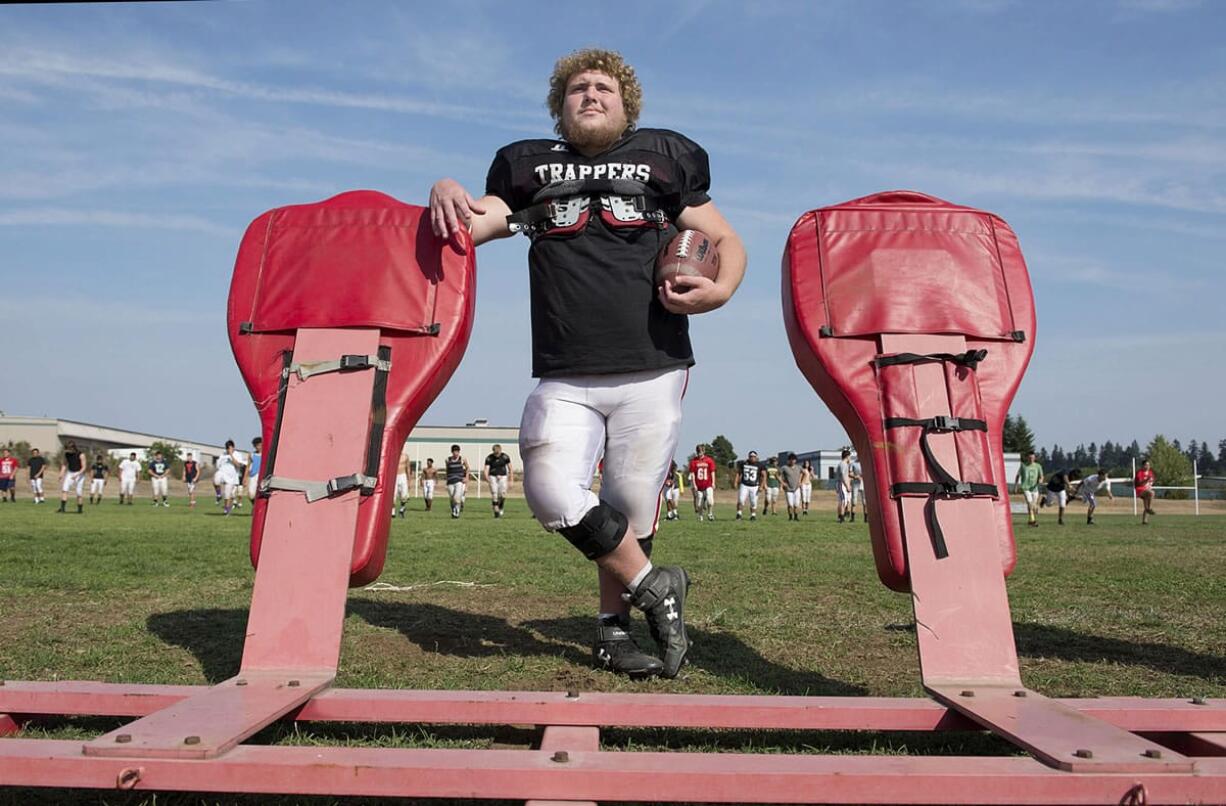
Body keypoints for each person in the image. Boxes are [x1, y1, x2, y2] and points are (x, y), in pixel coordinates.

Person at [428, 48, 745, 678]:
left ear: (626, 104)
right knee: (550, 492)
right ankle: (657, 586)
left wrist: (723, 288)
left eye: (603, 86)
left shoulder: (665, 157)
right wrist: (446, 189)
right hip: (565, 367)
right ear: (560, 104)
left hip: (652, 361)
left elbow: (726, 238)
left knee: (628, 505)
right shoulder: (527, 166)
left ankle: (611, 631)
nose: (591, 94)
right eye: (577, 88)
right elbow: (478, 219)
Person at [1014, 451, 1044, 528]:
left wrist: (1040, 480)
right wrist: (1016, 486)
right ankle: (1033, 521)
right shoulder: (1023, 466)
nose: (1031, 459)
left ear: (1035, 458)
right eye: (1030, 458)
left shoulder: (1038, 466)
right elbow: (1017, 476)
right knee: (1030, 504)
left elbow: (1041, 476)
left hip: (1035, 489)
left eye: (1032, 458)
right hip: (1026, 488)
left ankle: (1030, 521)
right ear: (1027, 458)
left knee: (1033, 506)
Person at [687, 443, 716, 521]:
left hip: (708, 484)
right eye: (698, 451)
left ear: (704, 451)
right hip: (698, 485)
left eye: (700, 451)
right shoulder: (693, 461)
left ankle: (710, 514)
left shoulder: (709, 460)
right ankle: (700, 516)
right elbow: (692, 474)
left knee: (710, 501)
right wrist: (694, 484)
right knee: (699, 503)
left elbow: (712, 472)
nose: (699, 452)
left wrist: (713, 482)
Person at [483, 443, 513, 519]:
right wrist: (487, 478)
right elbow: (486, 469)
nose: (497, 454)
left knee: (502, 494)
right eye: (495, 452)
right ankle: (496, 511)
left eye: (498, 452)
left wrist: (511, 480)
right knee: (494, 493)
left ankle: (501, 506)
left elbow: (510, 468)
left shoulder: (505, 457)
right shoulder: (489, 458)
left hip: (503, 477)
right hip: (493, 477)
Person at [216, 440, 245, 516]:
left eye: (230, 448)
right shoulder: (223, 454)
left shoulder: (237, 454)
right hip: (223, 474)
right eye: (227, 448)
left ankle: (227, 510)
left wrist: (231, 455)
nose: (228, 450)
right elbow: (218, 465)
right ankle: (218, 495)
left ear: (233, 447)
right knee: (215, 480)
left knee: (228, 495)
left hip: (233, 478)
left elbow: (238, 465)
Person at [58, 440, 87, 513]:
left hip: (79, 474)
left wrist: (77, 475)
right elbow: (64, 464)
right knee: (64, 489)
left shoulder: (81, 455)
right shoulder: (67, 454)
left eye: (68, 449)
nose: (67, 450)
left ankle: (80, 510)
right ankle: (62, 509)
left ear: (73, 448)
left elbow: (84, 467)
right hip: (70, 472)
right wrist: (61, 474)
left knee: (78, 492)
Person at [735, 451, 765, 521]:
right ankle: (739, 514)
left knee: (753, 502)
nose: (752, 458)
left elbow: (763, 476)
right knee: (741, 500)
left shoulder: (760, 465)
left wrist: (762, 486)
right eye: (751, 456)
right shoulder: (744, 463)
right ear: (748, 457)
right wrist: (736, 482)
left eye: (754, 457)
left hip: (754, 486)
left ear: (756, 457)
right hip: (744, 484)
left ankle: (753, 515)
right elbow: (739, 473)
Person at [444, 444, 468, 519]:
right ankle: (453, 510)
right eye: (454, 451)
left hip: (459, 481)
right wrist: (447, 479)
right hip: (450, 481)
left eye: (457, 451)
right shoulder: (448, 460)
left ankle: (456, 512)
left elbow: (467, 468)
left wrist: (466, 477)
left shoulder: (462, 459)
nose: (456, 453)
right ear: (452, 452)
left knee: (457, 497)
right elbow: (447, 470)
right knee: (452, 498)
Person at [781, 453, 804, 521]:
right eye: (790, 460)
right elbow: (778, 475)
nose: (792, 461)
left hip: (797, 488)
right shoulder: (784, 467)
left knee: (796, 504)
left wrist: (801, 482)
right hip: (788, 489)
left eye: (793, 460)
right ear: (788, 460)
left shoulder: (799, 467)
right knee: (790, 504)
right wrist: (782, 483)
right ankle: (790, 517)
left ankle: (796, 517)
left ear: (795, 460)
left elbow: (804, 473)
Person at [1134, 458, 1156, 525]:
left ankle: (1144, 521)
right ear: (1143, 466)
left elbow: (1152, 480)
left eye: (1149, 465)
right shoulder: (1140, 472)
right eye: (1146, 465)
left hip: (1146, 489)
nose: (1148, 466)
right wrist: (1147, 480)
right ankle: (1149, 509)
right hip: (1140, 490)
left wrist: (1150, 482)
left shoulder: (1151, 473)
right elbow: (1140, 483)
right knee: (1152, 493)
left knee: (1146, 504)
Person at [836, 449, 854, 523]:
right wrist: (847, 486)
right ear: (847, 456)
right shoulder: (843, 464)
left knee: (844, 501)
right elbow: (843, 476)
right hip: (841, 483)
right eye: (849, 456)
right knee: (843, 501)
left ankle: (841, 516)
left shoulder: (845, 464)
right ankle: (841, 517)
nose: (850, 458)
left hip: (843, 483)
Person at [393, 449, 412, 518]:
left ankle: (402, 509)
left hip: (403, 476)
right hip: (394, 476)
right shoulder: (393, 455)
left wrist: (409, 480)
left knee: (404, 495)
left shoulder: (405, 456)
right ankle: (393, 512)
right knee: (393, 495)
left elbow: (408, 468)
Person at [849, 455, 865, 523]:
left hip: (864, 483)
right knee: (854, 500)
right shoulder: (853, 464)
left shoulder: (865, 463)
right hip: (855, 483)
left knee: (865, 501)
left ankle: (866, 518)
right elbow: (850, 473)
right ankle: (852, 518)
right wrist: (856, 476)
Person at [247, 437, 263, 505]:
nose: (258, 447)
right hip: (253, 475)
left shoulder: (266, 454)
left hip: (262, 475)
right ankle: (254, 505)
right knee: (251, 494)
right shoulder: (251, 454)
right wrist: (245, 477)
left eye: (260, 445)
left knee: (261, 493)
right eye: (257, 445)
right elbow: (248, 466)